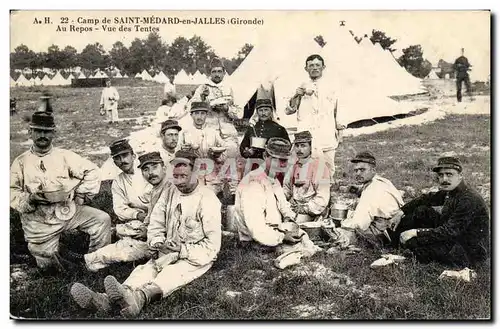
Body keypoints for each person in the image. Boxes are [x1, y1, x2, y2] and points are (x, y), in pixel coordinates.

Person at [68, 150, 222, 317]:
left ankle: (138, 300)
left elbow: (212, 247)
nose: (179, 183)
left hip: (195, 257)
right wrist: (156, 241)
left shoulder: (208, 200)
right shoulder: (170, 191)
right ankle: (106, 299)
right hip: (167, 249)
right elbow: (156, 221)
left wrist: (182, 250)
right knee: (145, 270)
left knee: (172, 274)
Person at [10, 111, 111, 272]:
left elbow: (92, 171)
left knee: (102, 219)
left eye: (47, 131)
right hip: (38, 221)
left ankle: (96, 263)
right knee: (49, 265)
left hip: (67, 210)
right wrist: (31, 199)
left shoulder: (64, 156)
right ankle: (59, 251)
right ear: (30, 132)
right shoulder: (20, 162)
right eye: (38, 131)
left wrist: (80, 196)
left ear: (53, 133)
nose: (43, 135)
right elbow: (11, 192)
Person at [79, 151, 170, 272]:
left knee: (130, 247)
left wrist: (149, 232)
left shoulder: (170, 188)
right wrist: (146, 227)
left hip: (168, 241)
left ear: (164, 168)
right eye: (146, 169)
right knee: (132, 237)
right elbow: (151, 216)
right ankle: (92, 256)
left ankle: (84, 261)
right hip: (154, 231)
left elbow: (172, 222)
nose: (151, 173)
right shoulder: (156, 189)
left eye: (154, 167)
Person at [392, 156, 489, 267]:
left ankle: (401, 247)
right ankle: (392, 240)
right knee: (422, 211)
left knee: (415, 245)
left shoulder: (468, 199)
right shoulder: (451, 190)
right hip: (454, 236)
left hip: (470, 250)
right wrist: (401, 211)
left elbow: (449, 231)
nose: (444, 179)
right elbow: (427, 198)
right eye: (441, 175)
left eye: (449, 174)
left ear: (460, 176)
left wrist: (416, 232)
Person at [285, 54, 346, 186]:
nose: (315, 68)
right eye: (311, 65)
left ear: (323, 67)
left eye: (318, 65)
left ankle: (326, 192)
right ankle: (305, 192)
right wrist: (296, 95)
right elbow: (289, 110)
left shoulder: (332, 86)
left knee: (328, 165)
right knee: (305, 164)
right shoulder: (301, 86)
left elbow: (339, 109)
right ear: (306, 68)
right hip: (306, 132)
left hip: (326, 130)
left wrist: (340, 132)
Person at [234, 137, 301, 247]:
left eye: (285, 160)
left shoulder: (272, 178)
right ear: (265, 156)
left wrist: (289, 218)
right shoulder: (253, 184)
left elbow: (283, 205)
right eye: (277, 159)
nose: (282, 164)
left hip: (275, 231)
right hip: (256, 240)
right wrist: (282, 237)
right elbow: (256, 228)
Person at [340, 152, 404, 246]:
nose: (358, 173)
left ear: (373, 170)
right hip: (398, 224)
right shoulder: (382, 181)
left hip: (385, 232)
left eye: (362, 170)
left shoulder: (371, 191)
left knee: (342, 235)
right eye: (356, 170)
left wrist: (341, 224)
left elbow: (360, 223)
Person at [187, 57, 242, 157]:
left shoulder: (230, 88)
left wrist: (227, 109)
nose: (217, 74)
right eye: (214, 72)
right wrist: (203, 98)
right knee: (209, 160)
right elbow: (192, 107)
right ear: (210, 73)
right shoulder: (203, 87)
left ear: (224, 72)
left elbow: (240, 113)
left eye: (219, 71)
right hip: (209, 131)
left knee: (230, 159)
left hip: (228, 132)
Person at [283, 131, 330, 223]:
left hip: (312, 211)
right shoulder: (293, 167)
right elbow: (286, 189)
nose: (299, 149)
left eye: (303, 146)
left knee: (293, 225)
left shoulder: (321, 168)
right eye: (297, 146)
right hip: (294, 207)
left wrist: (304, 208)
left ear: (311, 147)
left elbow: (322, 198)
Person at [108, 139, 151, 224]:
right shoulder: (118, 181)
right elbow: (119, 208)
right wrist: (137, 215)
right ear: (115, 162)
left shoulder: (147, 171)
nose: (122, 161)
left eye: (125, 155)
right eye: (118, 158)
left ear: (133, 156)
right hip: (139, 218)